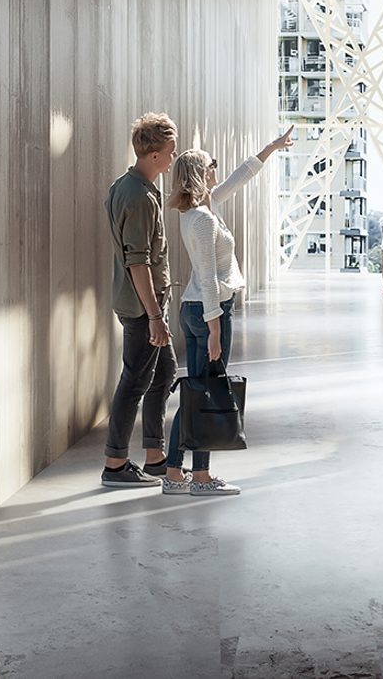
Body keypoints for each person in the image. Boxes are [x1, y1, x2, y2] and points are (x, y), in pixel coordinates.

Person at [163, 126, 293, 497]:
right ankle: (199, 478)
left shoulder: (204, 206)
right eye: (211, 165)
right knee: (207, 394)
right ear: (200, 175)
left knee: (197, 391)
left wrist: (272, 147)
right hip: (209, 310)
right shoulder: (202, 220)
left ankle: (175, 473)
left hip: (199, 309)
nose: (217, 169)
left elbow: (242, 175)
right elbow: (205, 276)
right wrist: (216, 329)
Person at [101, 112, 180, 489]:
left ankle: (155, 457)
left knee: (163, 372)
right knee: (134, 380)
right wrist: (155, 316)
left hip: (142, 304)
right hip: (141, 308)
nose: (172, 157)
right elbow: (138, 261)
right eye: (169, 151)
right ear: (153, 155)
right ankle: (115, 464)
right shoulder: (140, 197)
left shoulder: (129, 187)